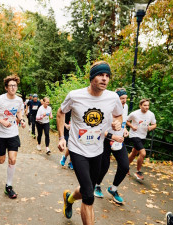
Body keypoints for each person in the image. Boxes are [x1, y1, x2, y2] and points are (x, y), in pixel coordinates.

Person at [57, 61, 123, 224]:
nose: (104, 79)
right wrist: (61, 138)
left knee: (88, 188)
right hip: (77, 149)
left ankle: (69, 198)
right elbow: (60, 113)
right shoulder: (75, 95)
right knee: (89, 196)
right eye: (101, 75)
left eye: (107, 76)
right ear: (92, 77)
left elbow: (119, 116)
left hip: (98, 150)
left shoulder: (113, 97)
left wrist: (117, 123)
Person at [0, 75, 26, 199]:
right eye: (10, 86)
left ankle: (9, 186)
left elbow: (19, 112)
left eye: (15, 85)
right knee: (1, 160)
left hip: (13, 133)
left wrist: (22, 120)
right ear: (6, 88)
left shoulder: (19, 100)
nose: (13, 87)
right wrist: (1, 121)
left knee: (12, 159)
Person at [94, 88, 129, 204]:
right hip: (106, 139)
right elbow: (99, 129)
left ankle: (113, 189)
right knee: (104, 165)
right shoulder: (107, 108)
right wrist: (113, 137)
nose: (124, 101)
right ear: (116, 99)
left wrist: (124, 130)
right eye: (121, 98)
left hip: (119, 141)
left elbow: (122, 122)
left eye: (125, 98)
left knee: (124, 166)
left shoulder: (126, 107)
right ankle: (97, 185)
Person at [127, 99, 157, 180]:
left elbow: (154, 124)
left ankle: (125, 167)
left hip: (143, 136)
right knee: (143, 153)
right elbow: (126, 121)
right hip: (134, 135)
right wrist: (132, 126)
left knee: (134, 153)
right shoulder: (134, 114)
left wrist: (151, 127)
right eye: (145, 105)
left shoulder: (151, 114)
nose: (147, 107)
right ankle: (138, 171)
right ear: (140, 106)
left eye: (148, 105)